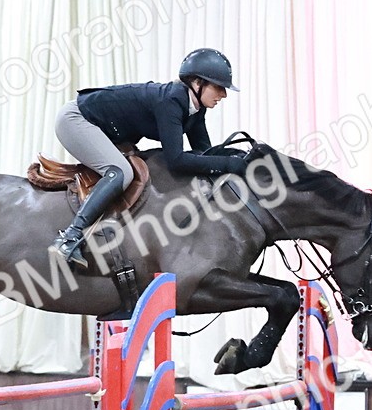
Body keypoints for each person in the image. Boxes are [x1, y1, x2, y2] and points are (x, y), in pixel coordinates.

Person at [49, 48, 249, 269]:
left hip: (102, 126)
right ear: (197, 83)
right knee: (120, 172)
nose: (224, 94)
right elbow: (177, 161)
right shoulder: (171, 101)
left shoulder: (195, 108)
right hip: (76, 119)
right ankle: (68, 237)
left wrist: (236, 158)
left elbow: (204, 154)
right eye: (219, 87)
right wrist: (231, 164)